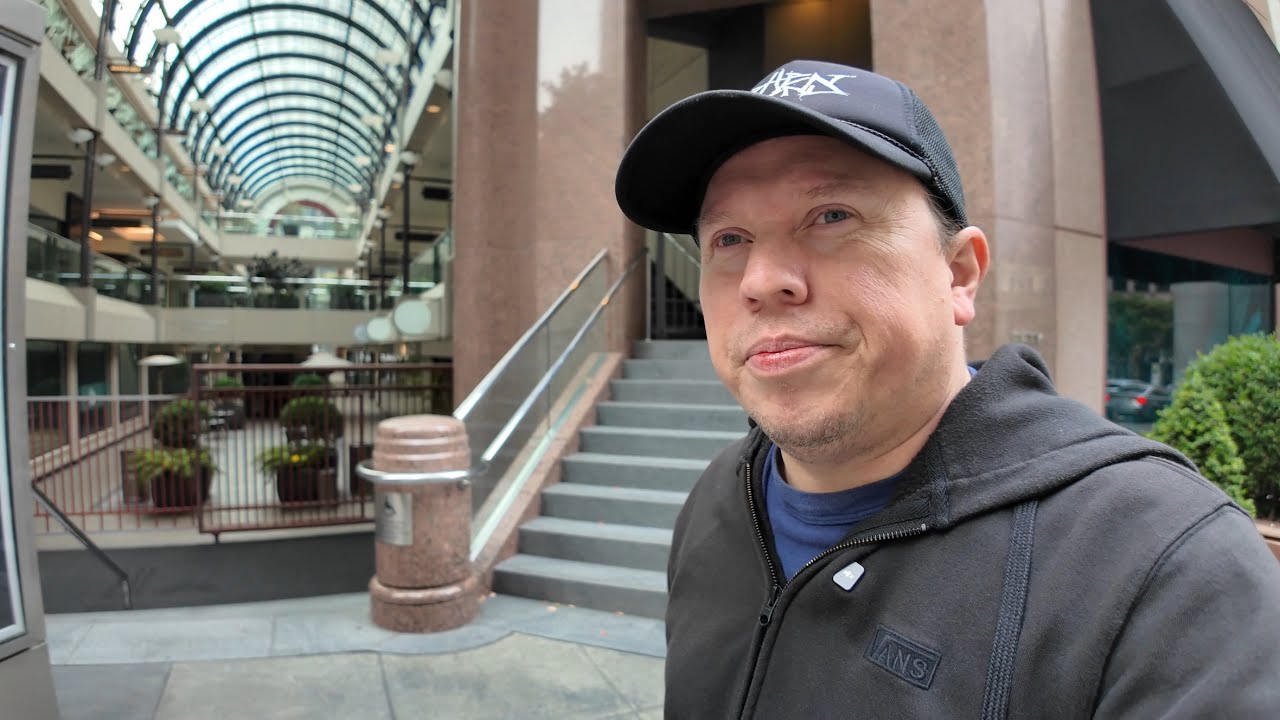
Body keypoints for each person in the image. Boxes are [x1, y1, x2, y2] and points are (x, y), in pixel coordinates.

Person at [614, 60, 1280, 719]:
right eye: (729, 238)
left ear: (959, 274)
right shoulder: (717, 500)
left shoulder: (1164, 570)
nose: (761, 280)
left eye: (832, 215)